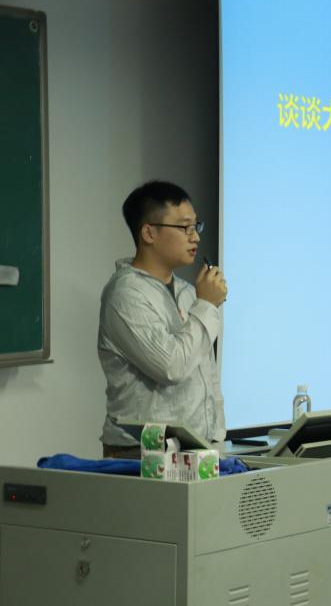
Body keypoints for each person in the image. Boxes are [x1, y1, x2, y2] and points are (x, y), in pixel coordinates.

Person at [98, 180, 228, 458]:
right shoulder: (125, 294)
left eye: (196, 226)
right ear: (149, 233)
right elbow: (171, 367)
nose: (195, 237)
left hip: (197, 449)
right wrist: (207, 304)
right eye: (184, 227)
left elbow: (207, 374)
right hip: (142, 452)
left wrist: (217, 437)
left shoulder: (188, 291)